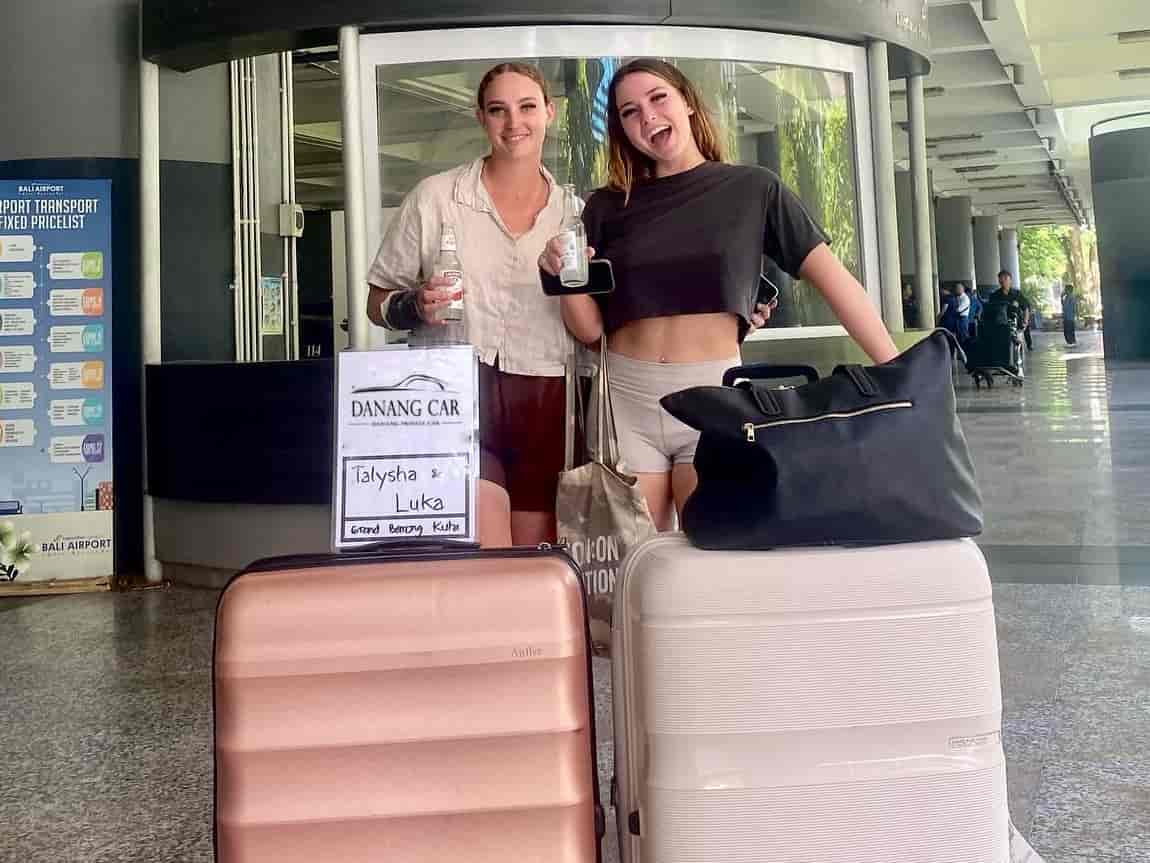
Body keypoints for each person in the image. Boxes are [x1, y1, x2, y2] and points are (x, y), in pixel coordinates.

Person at [540, 58, 899, 531]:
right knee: (629, 569)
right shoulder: (608, 205)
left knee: (709, 559)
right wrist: (567, 278)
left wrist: (898, 375)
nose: (647, 116)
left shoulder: (753, 188)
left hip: (715, 394)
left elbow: (835, 282)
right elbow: (589, 332)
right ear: (622, 130)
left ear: (687, 103)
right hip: (623, 397)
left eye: (658, 98)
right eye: (629, 112)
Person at [365, 62, 573, 547]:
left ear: (549, 112)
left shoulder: (574, 212)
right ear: (481, 118)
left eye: (526, 107)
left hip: (546, 391)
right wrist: (414, 305)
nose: (513, 123)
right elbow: (377, 302)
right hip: (455, 389)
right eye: (497, 110)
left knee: (532, 547)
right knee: (478, 543)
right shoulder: (435, 199)